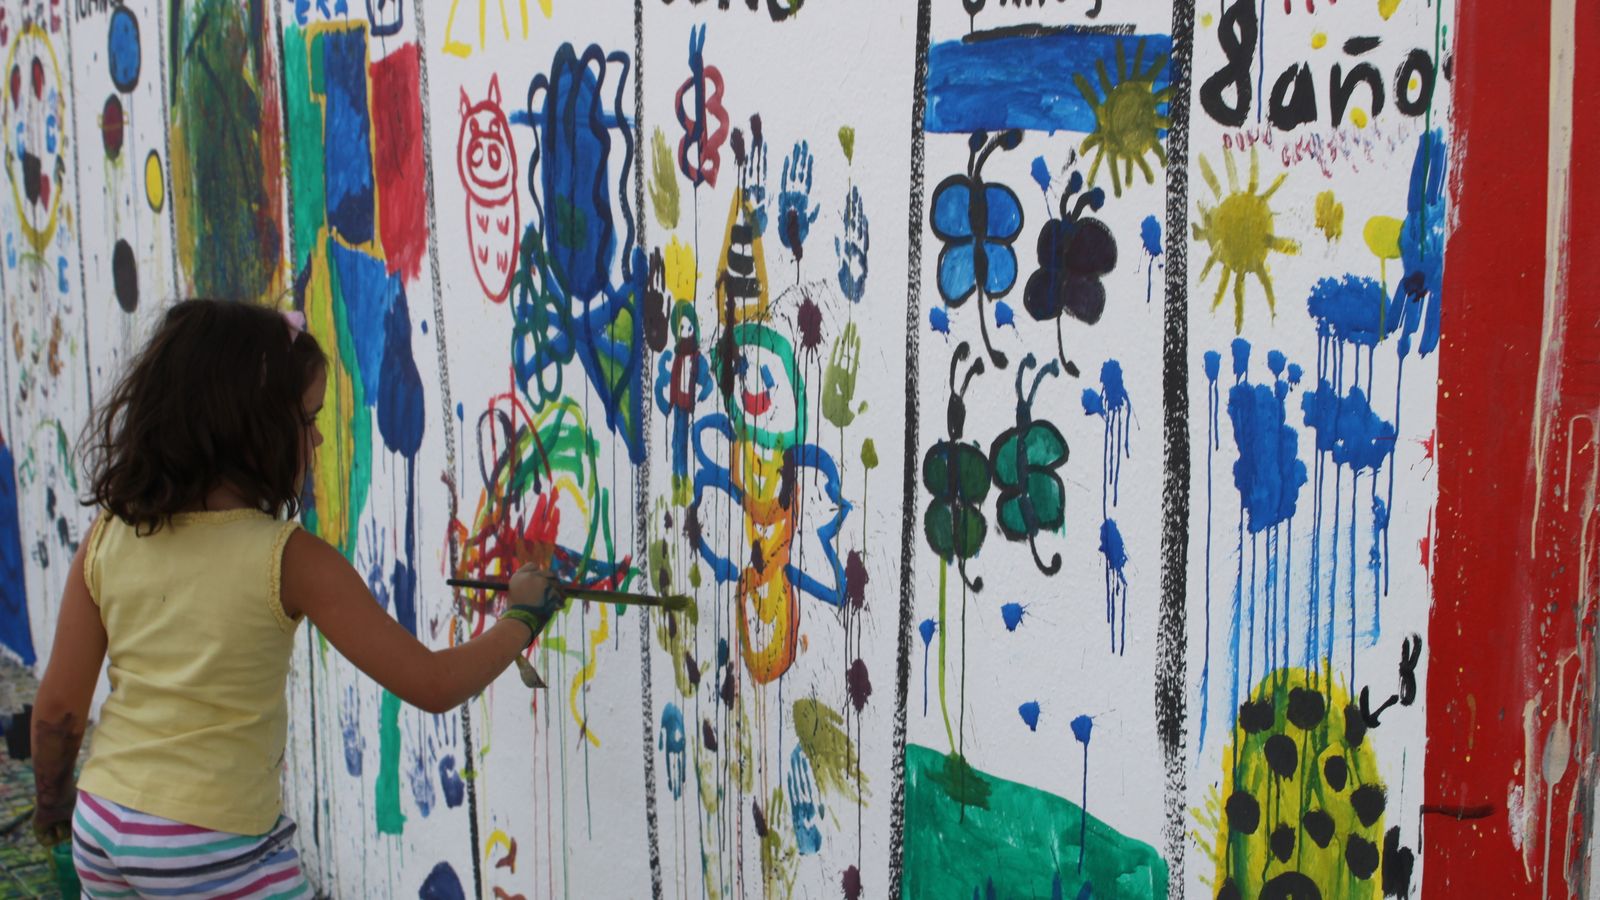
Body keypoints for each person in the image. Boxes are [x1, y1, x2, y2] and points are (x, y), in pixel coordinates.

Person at [28, 299, 553, 898]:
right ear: (247, 430)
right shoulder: (288, 558)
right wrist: (522, 616)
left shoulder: (107, 539)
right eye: (308, 419)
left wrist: (53, 804)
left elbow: (58, 712)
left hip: (103, 825)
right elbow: (431, 684)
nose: (321, 437)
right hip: (210, 843)